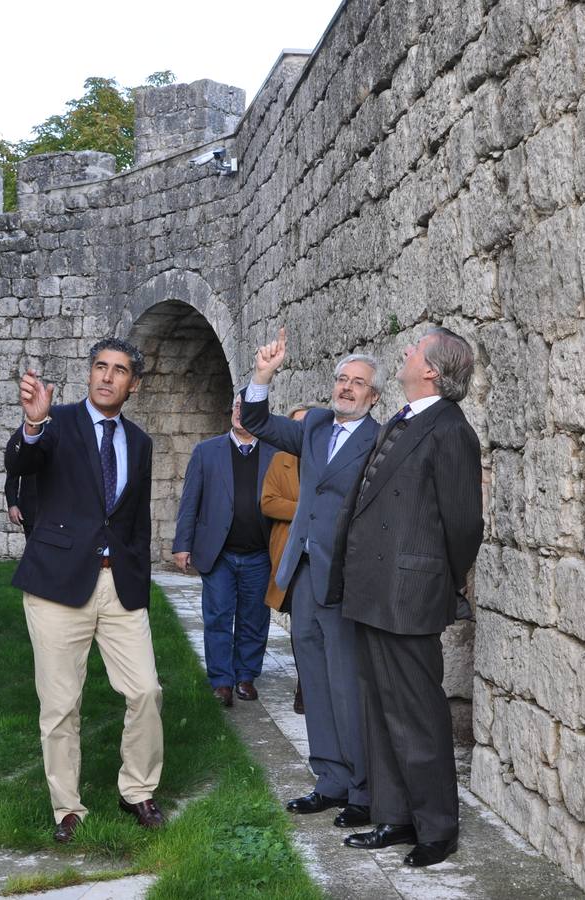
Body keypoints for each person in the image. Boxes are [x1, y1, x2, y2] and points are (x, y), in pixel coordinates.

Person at [5, 338, 164, 846]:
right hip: (56, 585)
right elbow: (20, 464)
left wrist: (135, 566)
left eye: (119, 371)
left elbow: (135, 518)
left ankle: (137, 790)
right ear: (89, 372)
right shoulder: (58, 423)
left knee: (145, 690)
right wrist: (32, 425)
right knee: (60, 704)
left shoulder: (139, 442)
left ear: (132, 384)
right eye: (100, 366)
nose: (107, 377)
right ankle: (67, 807)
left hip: (120, 586)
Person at [335, 327, 483, 868]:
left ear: (433, 371)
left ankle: (437, 827)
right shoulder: (403, 419)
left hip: (409, 595)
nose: (404, 351)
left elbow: (465, 525)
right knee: (381, 709)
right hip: (374, 592)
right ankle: (395, 816)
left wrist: (434, 580)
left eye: (415, 348)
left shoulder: (451, 431)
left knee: (417, 714)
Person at [241, 330, 381, 831]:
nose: (345, 387)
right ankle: (329, 782)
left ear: (373, 396)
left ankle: (364, 791)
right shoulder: (316, 426)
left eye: (357, 383)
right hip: (302, 576)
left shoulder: (380, 440)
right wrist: (263, 374)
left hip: (345, 581)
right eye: (341, 379)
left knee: (348, 687)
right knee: (316, 684)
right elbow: (255, 421)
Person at [173, 396, 275, 707]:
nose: (239, 412)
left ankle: (245, 676)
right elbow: (190, 501)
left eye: (247, 408)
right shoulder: (207, 451)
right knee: (217, 616)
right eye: (235, 406)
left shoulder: (275, 453)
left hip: (260, 553)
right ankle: (221, 681)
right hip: (219, 553)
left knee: (254, 617)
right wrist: (182, 545)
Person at [260, 404, 315, 715]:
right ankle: (304, 686)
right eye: (297, 426)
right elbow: (268, 502)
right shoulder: (280, 459)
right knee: (300, 627)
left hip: (322, 555)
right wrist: (307, 509)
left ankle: (318, 684)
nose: (302, 432)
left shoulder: (328, 457)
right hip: (291, 555)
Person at [5, 470, 38, 537]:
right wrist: (12, 504)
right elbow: (12, 473)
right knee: (33, 546)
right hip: (31, 508)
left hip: (58, 508)